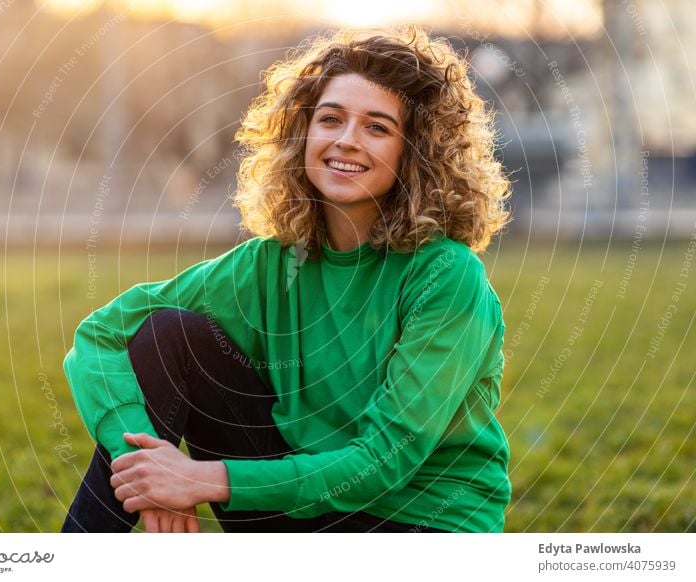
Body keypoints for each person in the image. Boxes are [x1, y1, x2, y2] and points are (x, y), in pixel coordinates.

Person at [61, 25, 511, 533]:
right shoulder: (271, 263)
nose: (346, 139)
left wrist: (201, 479)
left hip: (419, 528)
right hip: (302, 509)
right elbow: (99, 336)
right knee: (171, 335)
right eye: (331, 119)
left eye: (377, 128)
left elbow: (384, 462)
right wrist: (148, 472)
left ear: (417, 153)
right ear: (303, 133)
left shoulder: (446, 276)